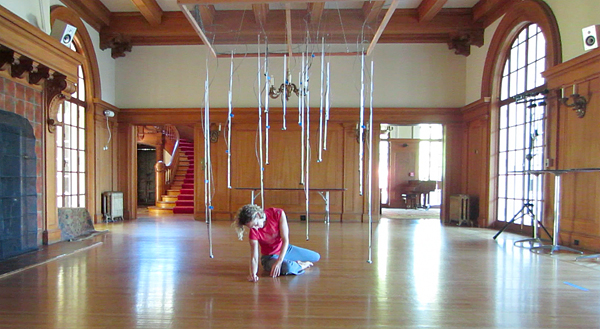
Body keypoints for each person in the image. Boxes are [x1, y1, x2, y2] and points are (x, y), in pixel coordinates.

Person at [234, 204, 320, 282]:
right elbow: (254, 257)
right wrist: (253, 274)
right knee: (288, 267)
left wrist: (279, 261)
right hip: (270, 257)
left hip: (285, 249)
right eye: (252, 227)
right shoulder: (254, 231)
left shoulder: (277, 213)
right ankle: (300, 265)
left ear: (258, 215)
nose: (255, 228)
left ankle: (292, 262)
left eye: (256, 224)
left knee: (316, 257)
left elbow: (285, 239)